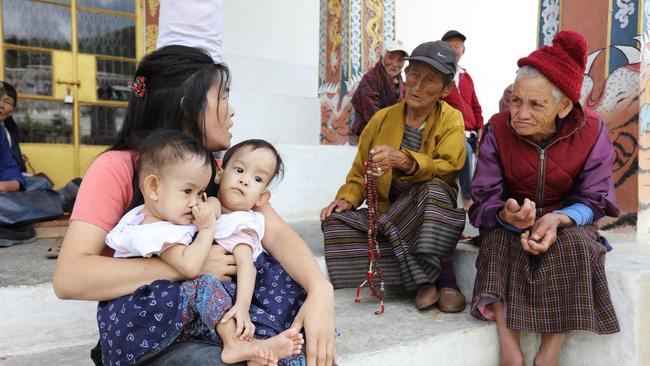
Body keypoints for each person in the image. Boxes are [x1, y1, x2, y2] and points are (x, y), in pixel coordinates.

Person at [53, 45, 336, 366]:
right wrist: (188, 265)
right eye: (223, 98)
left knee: (296, 350)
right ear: (189, 109)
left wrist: (320, 290)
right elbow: (69, 277)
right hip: (154, 329)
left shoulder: (219, 169)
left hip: (221, 318)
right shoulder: (118, 167)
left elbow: (278, 234)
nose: (232, 111)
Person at [469, 30, 620, 366]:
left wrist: (557, 219)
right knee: (495, 242)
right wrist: (506, 213)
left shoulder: (592, 132)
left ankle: (547, 356)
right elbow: (483, 195)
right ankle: (511, 352)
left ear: (564, 105)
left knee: (579, 246)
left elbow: (595, 196)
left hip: (564, 219)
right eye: (516, 100)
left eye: (536, 104)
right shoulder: (497, 128)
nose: (520, 113)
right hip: (511, 219)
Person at [99, 131, 303, 366]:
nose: (196, 202)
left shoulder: (146, 218)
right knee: (203, 285)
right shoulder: (154, 230)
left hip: (146, 322)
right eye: (188, 192)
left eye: (199, 193)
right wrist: (207, 229)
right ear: (153, 187)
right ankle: (235, 344)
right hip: (140, 323)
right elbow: (190, 266)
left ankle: (254, 347)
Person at [321, 41, 467, 313]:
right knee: (334, 223)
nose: (417, 86)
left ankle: (444, 278)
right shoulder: (381, 118)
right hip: (392, 213)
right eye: (413, 75)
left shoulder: (452, 119)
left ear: (445, 89)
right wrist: (347, 199)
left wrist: (405, 160)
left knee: (433, 189)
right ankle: (421, 277)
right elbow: (359, 173)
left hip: (429, 206)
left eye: (430, 80)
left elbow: (449, 166)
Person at [440, 30, 483, 212]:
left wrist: (481, 128)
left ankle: (488, 202)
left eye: (457, 46)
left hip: (472, 133)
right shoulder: (440, 75)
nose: (454, 50)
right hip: (452, 132)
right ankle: (467, 196)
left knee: (495, 151)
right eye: (450, 47)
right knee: (464, 149)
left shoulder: (467, 77)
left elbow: (476, 106)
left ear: (463, 51)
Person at [0, 81, 53, 191]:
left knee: (43, 184)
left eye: (6, 101)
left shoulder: (5, 131)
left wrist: (10, 184)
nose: (1, 105)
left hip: (6, 182)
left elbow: (9, 169)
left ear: (13, 109)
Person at [350, 40, 409, 136]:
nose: (394, 64)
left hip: (391, 133)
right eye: (390, 57)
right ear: (382, 57)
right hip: (369, 132)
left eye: (400, 60)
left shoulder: (402, 84)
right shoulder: (370, 80)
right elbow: (371, 111)